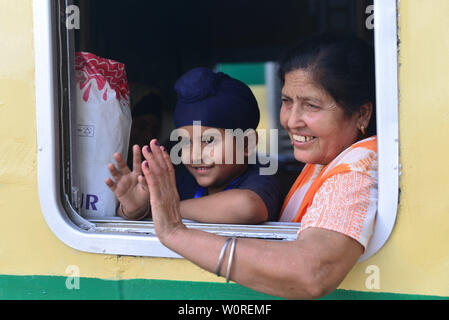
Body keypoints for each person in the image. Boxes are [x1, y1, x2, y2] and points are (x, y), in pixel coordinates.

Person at [141, 34, 378, 299]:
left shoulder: (357, 173)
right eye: (287, 101)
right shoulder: (326, 159)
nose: (291, 121)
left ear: (362, 114)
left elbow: (313, 272)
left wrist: (174, 231)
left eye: (311, 105)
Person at [105, 67, 281, 223]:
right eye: (186, 142)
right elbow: (142, 205)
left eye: (209, 140)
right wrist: (136, 210)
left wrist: (162, 209)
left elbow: (247, 207)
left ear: (246, 143)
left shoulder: (262, 178)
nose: (195, 154)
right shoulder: (180, 180)